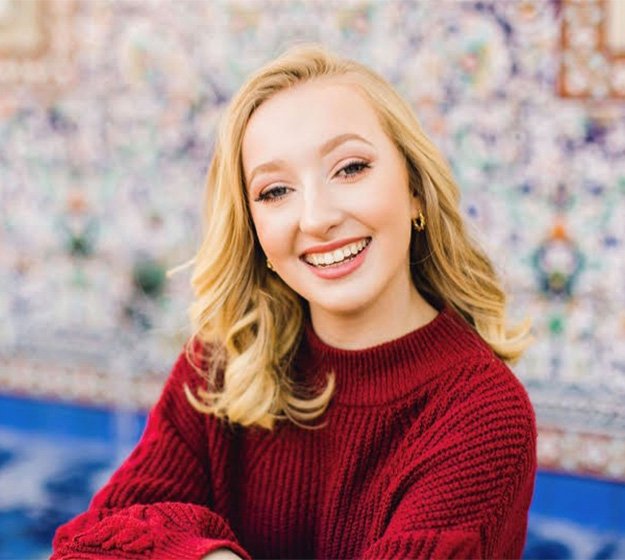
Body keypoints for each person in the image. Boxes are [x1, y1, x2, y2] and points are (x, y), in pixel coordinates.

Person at [52, 44, 536, 560]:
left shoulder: (483, 417)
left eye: (350, 168)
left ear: (415, 189)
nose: (316, 218)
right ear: (255, 231)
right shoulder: (223, 363)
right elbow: (87, 542)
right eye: (275, 191)